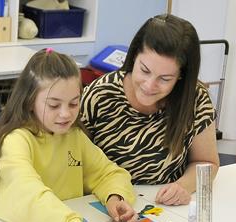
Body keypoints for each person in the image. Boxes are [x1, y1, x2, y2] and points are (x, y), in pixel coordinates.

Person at [0, 49, 136, 222]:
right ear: (30, 100)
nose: (65, 114)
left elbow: (107, 172)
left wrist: (115, 197)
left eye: (73, 103)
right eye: (53, 105)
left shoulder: (74, 136)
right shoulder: (16, 140)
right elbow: (28, 194)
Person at [81, 14, 219, 206]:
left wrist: (182, 186)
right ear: (134, 56)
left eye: (165, 79)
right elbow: (73, 162)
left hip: (166, 208)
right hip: (105, 202)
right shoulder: (100, 95)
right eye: (144, 70)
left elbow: (207, 163)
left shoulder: (194, 99)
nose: (149, 85)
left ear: (181, 76)